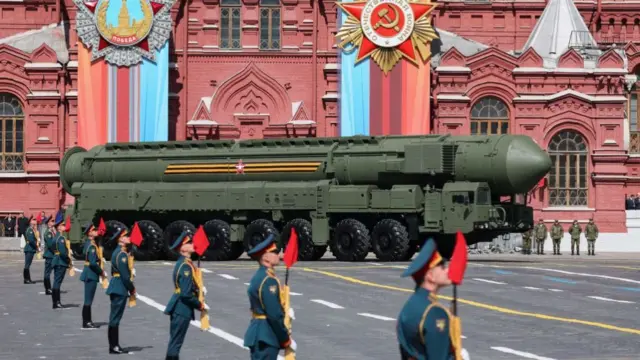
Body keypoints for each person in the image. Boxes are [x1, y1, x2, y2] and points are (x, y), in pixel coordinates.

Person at [396, 238, 469, 360]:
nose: (446, 270)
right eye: (441, 267)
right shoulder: (434, 313)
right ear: (430, 276)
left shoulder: (410, 305)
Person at [244, 234, 297, 360]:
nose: (278, 255)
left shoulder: (260, 276)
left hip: (260, 332)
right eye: (274, 252)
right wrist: (285, 338)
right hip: (266, 335)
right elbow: (274, 314)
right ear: (266, 257)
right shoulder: (268, 280)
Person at [164, 231, 209, 360]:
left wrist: (198, 288)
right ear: (182, 248)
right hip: (181, 308)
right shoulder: (185, 267)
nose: (192, 244)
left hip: (180, 306)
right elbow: (185, 294)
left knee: (175, 341)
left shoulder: (186, 264)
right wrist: (199, 304)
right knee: (176, 343)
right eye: (189, 243)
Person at [106, 226, 135, 354]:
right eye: (127, 236)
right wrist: (132, 288)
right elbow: (125, 276)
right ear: (121, 238)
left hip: (116, 285)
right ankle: (114, 346)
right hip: (119, 287)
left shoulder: (119, 252)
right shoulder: (121, 254)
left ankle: (114, 345)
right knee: (115, 318)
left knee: (114, 317)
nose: (129, 238)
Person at [80, 222, 106, 329]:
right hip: (91, 273)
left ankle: (87, 320)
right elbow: (92, 262)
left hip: (89, 273)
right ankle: (87, 322)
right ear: (90, 232)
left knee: (88, 298)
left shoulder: (90, 244)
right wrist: (101, 272)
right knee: (88, 299)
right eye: (94, 230)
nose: (97, 232)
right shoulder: (92, 246)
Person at [51, 211, 71, 309]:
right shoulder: (61, 238)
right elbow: (63, 252)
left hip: (56, 259)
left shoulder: (56, 237)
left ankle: (55, 302)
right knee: (58, 282)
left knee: (56, 281)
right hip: (60, 261)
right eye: (62, 225)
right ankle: (57, 302)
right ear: (58, 227)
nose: (64, 226)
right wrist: (68, 260)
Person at [42, 214, 55, 295]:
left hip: (51, 254)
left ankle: (48, 288)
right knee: (47, 273)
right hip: (49, 255)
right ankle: (48, 289)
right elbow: (50, 245)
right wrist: (57, 251)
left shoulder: (52, 232)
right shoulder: (48, 233)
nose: (53, 222)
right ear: (48, 223)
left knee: (48, 272)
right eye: (52, 221)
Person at [23, 215, 38, 284]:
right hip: (29, 249)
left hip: (30, 248)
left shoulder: (31, 230)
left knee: (27, 265)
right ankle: (26, 279)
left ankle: (27, 279)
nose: (35, 225)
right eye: (35, 224)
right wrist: (36, 247)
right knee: (27, 265)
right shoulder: (30, 230)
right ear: (32, 224)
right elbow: (31, 240)